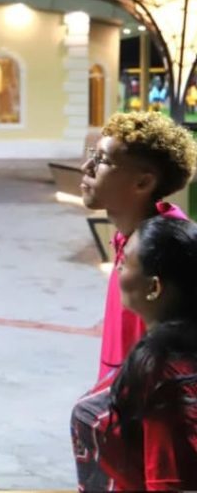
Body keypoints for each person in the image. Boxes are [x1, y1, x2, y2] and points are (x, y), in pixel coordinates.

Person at [71, 216, 197, 490]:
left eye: (126, 261)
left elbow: (168, 482)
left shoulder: (161, 372)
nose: (117, 266)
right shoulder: (177, 353)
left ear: (154, 287)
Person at [80, 111, 197, 379]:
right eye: (92, 155)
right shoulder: (130, 237)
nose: (87, 167)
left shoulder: (167, 253)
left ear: (143, 182)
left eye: (102, 160)